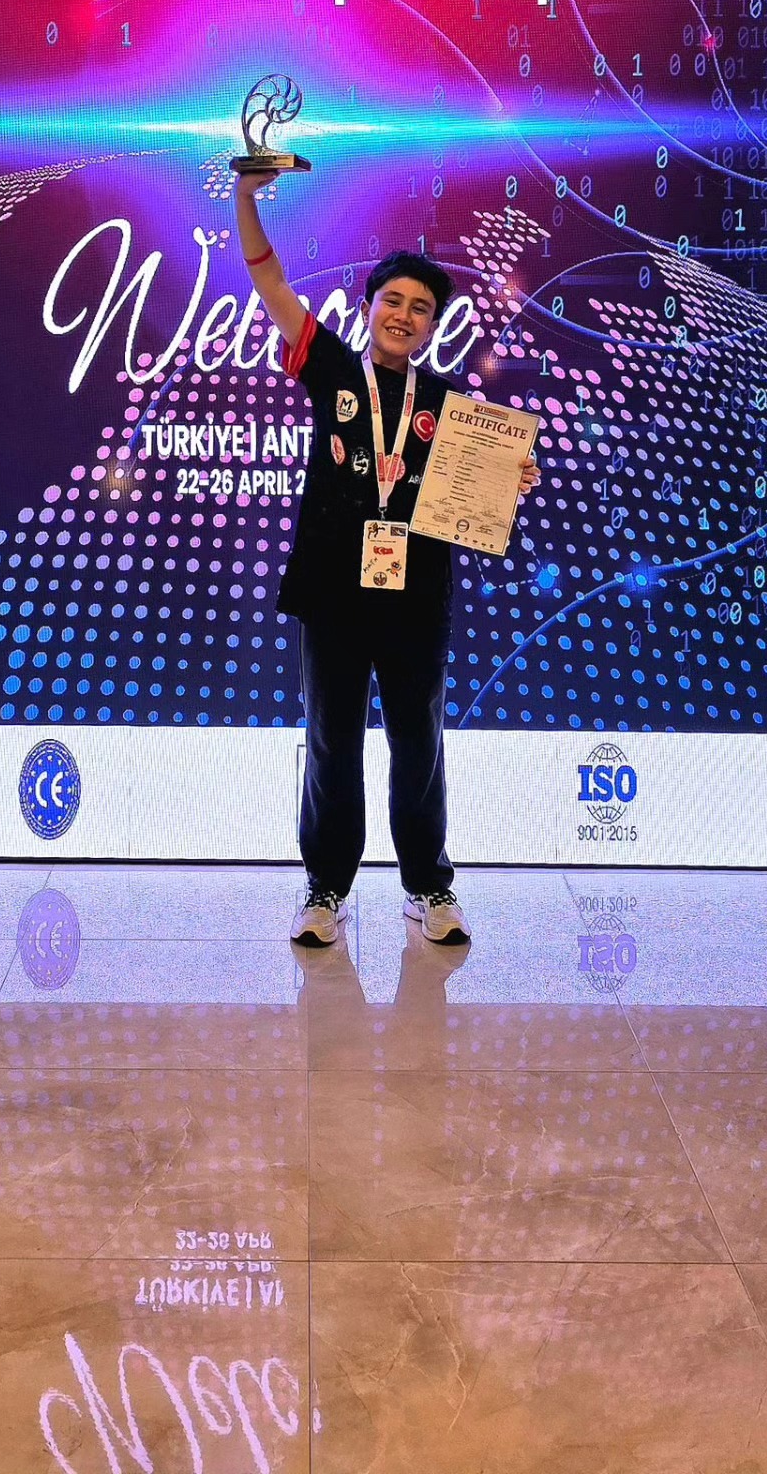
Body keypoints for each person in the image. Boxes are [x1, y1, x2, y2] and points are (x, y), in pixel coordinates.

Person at [233, 165, 540, 947]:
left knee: (419, 745)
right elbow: (269, 282)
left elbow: (474, 499)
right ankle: (325, 890)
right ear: (368, 307)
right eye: (393, 301)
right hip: (334, 594)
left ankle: (428, 887)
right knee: (331, 744)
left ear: (432, 327)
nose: (404, 316)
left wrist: (510, 479)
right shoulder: (334, 370)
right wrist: (244, 200)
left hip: (415, 601)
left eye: (421, 308)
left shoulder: (449, 405)